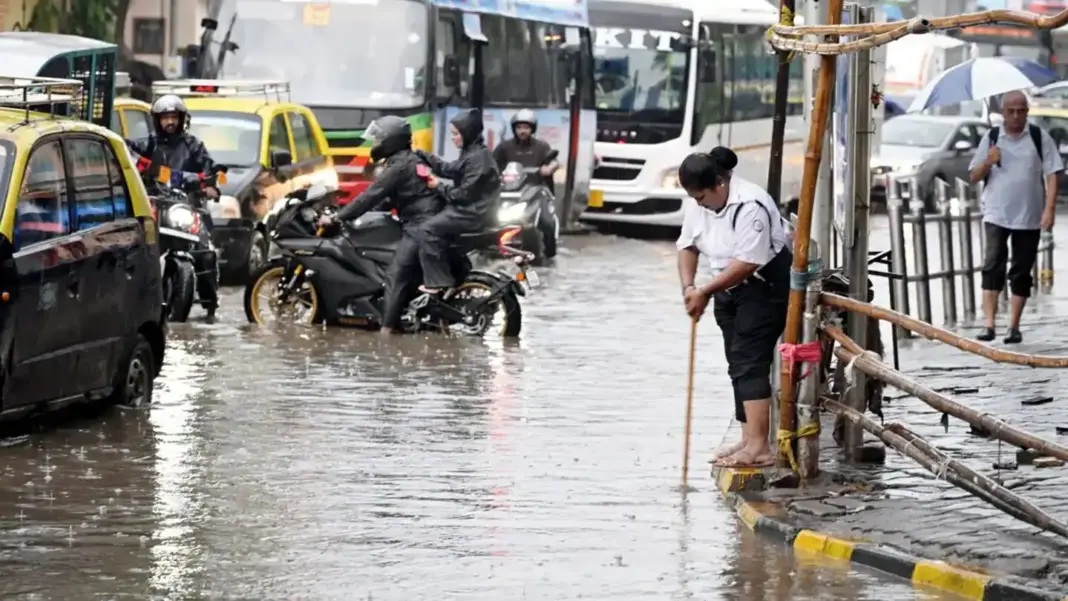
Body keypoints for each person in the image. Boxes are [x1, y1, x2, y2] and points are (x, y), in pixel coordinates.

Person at [675, 147, 792, 468]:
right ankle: (748, 437)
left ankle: (759, 447)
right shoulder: (700, 206)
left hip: (762, 285)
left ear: (719, 183)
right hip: (725, 286)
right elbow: (687, 245)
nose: (698, 203)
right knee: (735, 361)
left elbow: (747, 262)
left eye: (701, 196)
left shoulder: (750, 204)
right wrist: (689, 288)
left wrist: (705, 291)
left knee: (749, 359)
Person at [316, 115, 443, 334]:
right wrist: (359, 215)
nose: (374, 145)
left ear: (391, 141)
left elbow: (371, 195)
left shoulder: (400, 166)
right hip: (421, 220)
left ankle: (386, 331)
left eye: (378, 140)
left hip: (420, 224)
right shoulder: (406, 160)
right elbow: (386, 199)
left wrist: (338, 218)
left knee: (396, 274)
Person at [968, 90, 1063, 344]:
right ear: (1003, 113)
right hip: (996, 214)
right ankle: (988, 324)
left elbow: (1053, 173)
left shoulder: (1038, 137)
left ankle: (1014, 326)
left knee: (1021, 271)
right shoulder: (991, 137)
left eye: (1021, 110)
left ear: (1027, 112)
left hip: (1029, 216)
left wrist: (1049, 209)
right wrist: (989, 161)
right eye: (1011, 111)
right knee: (992, 266)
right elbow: (974, 176)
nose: (1016, 115)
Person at [127, 94, 222, 317]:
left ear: (182, 120)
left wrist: (212, 185)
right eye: (165, 118)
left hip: (186, 208)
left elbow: (212, 172)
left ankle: (210, 303)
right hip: (155, 208)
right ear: (157, 120)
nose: (170, 122)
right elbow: (127, 154)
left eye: (174, 117)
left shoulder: (194, 146)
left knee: (205, 253)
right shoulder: (147, 144)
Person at [414, 109, 500, 294]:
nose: (452, 138)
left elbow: (462, 194)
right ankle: (457, 274)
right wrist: (423, 155)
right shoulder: (471, 152)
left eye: (456, 134)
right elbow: (449, 169)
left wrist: (436, 185)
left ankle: (438, 282)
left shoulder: (479, 159)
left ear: (467, 134)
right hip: (469, 210)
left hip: (473, 213)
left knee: (427, 230)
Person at [492, 109, 559, 187]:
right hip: (510, 188)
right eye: (519, 128)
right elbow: (492, 164)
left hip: (536, 188)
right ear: (514, 129)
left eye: (526, 128)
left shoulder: (542, 146)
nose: (522, 131)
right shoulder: (504, 146)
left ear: (532, 129)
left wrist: (550, 168)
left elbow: (554, 162)